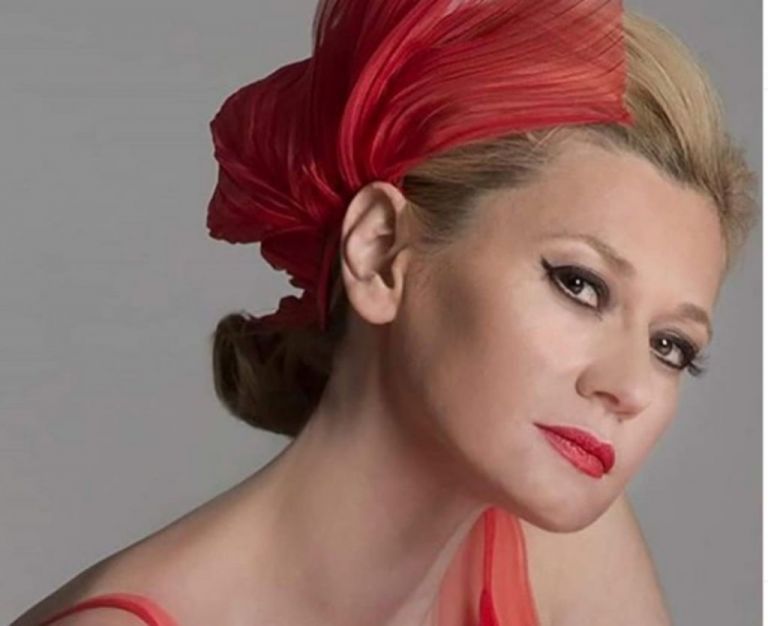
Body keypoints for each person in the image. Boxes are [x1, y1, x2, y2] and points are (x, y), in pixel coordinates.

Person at [13, 0, 758, 625]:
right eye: (579, 284)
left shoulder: (563, 549)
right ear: (379, 251)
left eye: (671, 345)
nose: (628, 387)